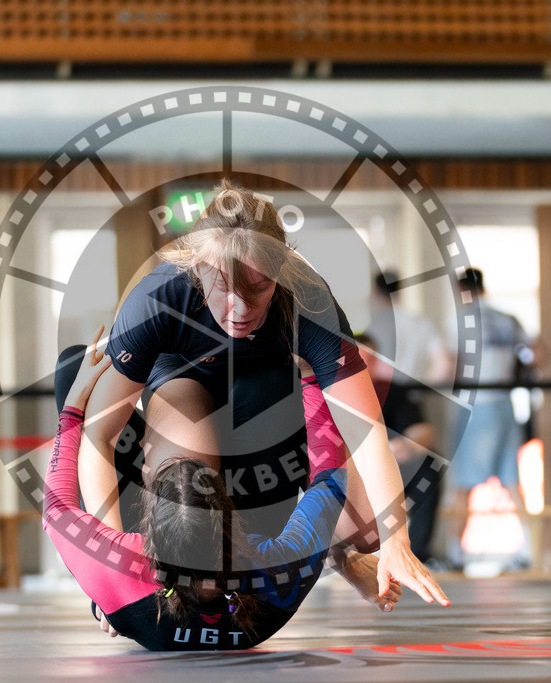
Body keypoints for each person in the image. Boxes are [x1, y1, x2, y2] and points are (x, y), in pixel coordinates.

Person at [74, 180, 449, 606]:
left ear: (282, 268)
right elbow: (98, 436)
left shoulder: (307, 298)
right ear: (197, 264)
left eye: (259, 289)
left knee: (365, 530)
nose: (240, 309)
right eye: (224, 288)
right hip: (183, 376)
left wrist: (396, 542)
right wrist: (106, 570)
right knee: (190, 501)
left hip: (269, 380)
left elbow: (368, 433)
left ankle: (340, 555)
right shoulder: (157, 299)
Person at [44, 328, 403, 650]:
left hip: (134, 577)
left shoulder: (123, 572)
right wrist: (310, 378)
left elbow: (56, 504)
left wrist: (74, 404)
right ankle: (339, 552)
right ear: (232, 525)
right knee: (271, 380)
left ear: (147, 537)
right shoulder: (271, 568)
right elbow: (330, 479)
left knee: (74, 367)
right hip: (255, 516)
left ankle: (193, 371)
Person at [448, 268, 540, 571]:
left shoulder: (462, 318)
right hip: (505, 404)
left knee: (463, 484)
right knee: (512, 482)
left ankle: (454, 554)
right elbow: (537, 354)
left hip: (476, 404)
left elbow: (451, 363)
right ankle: (529, 550)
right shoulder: (507, 319)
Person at [355, 333, 442, 563]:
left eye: (369, 359)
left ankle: (417, 556)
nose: (363, 365)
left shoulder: (393, 392)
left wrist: (406, 445)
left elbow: (424, 431)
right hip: (351, 469)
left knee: (429, 466)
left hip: (390, 465)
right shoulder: (329, 392)